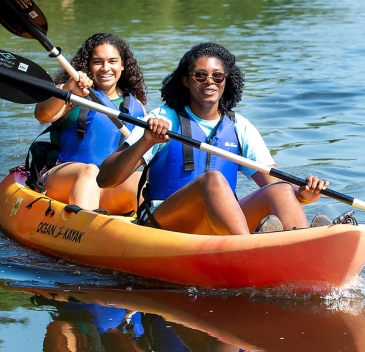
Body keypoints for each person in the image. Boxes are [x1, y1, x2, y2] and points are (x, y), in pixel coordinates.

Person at [98, 42, 331, 234]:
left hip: (218, 226)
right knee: (213, 180)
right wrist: (146, 141)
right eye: (200, 75)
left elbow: (273, 184)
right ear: (186, 81)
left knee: (281, 189)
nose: (210, 81)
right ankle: (247, 249)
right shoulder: (162, 118)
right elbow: (105, 180)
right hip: (165, 225)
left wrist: (302, 194)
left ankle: (303, 241)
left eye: (217, 76)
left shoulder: (239, 126)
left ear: (226, 81)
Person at [33, 33, 148, 214]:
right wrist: (69, 89)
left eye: (112, 61)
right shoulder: (72, 92)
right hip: (66, 177)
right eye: (97, 62)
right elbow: (42, 115)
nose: (105, 68)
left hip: (109, 184)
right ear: (88, 65)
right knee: (90, 172)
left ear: (122, 64)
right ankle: (85, 227)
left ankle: (155, 232)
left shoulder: (137, 106)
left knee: (140, 181)